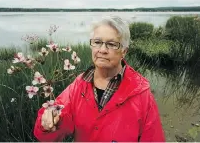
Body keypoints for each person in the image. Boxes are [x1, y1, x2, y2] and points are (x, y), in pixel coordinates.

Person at [33, 15, 166, 142]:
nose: (102, 50)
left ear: (124, 51)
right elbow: (52, 135)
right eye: (97, 42)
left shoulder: (141, 94)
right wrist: (46, 124)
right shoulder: (79, 85)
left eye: (112, 44)